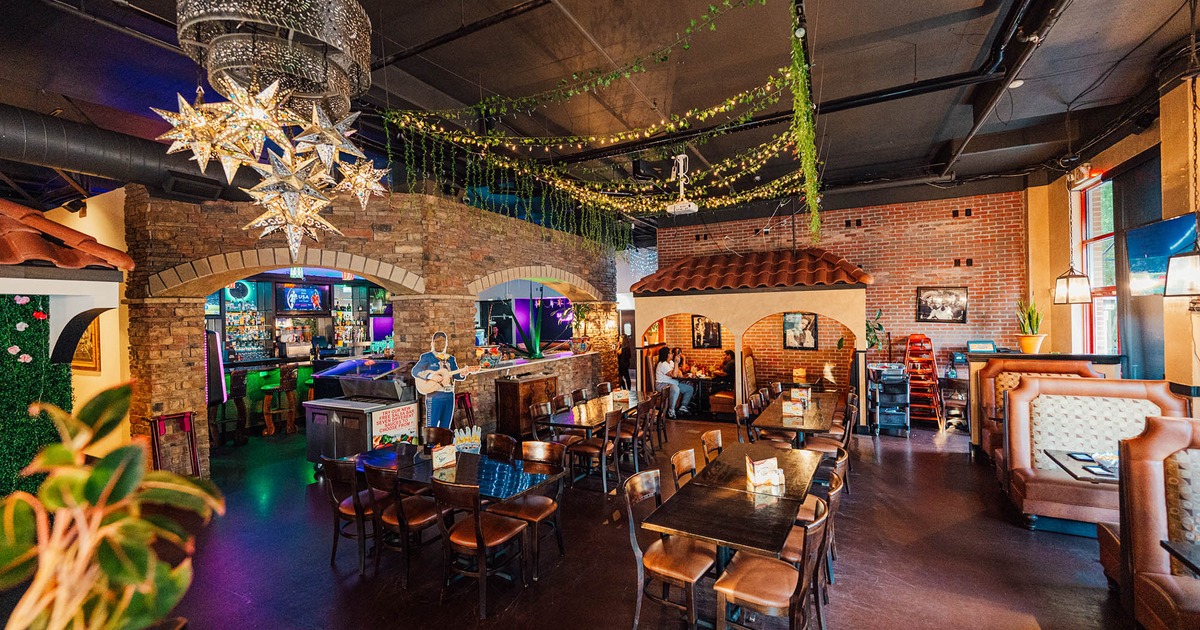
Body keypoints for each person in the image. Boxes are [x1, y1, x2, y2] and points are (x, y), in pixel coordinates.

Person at [411, 331, 477, 430]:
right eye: (437, 342)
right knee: (432, 427)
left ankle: (444, 444)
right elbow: (416, 371)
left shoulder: (450, 359)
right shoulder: (427, 357)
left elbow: (456, 375)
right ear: (432, 343)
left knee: (446, 427)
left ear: (446, 343)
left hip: (449, 395)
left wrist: (463, 373)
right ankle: (431, 445)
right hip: (435, 396)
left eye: (443, 342)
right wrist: (431, 375)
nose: (441, 344)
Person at [656, 346, 694, 418]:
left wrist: (676, 369)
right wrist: (676, 363)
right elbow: (674, 374)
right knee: (675, 388)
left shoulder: (670, 362)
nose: (672, 354)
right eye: (670, 353)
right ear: (667, 355)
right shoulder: (662, 364)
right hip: (662, 384)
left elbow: (679, 373)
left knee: (689, 388)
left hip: (673, 383)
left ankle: (683, 407)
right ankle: (671, 410)